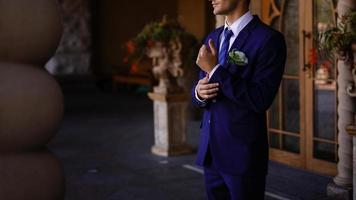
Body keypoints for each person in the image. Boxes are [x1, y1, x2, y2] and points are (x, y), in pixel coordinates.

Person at [192, 0, 287, 199]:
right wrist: (199, 93)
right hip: (210, 153)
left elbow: (261, 99)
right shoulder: (212, 37)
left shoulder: (269, 39)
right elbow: (203, 87)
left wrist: (216, 70)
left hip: (242, 155)